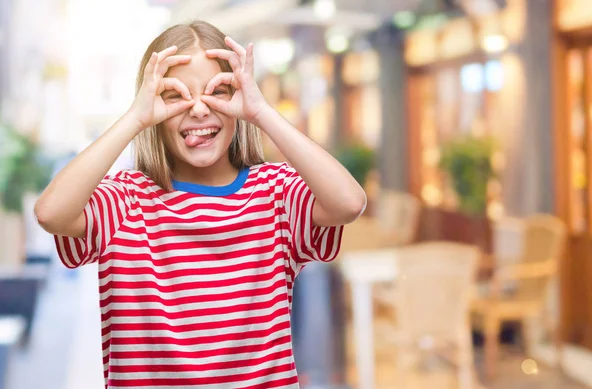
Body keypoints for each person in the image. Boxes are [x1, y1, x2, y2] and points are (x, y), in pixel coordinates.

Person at [34, 20, 366, 389]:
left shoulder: (275, 195)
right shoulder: (125, 201)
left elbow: (349, 203)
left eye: (217, 91)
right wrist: (134, 118)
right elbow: (51, 213)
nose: (198, 109)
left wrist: (261, 112)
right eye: (174, 95)